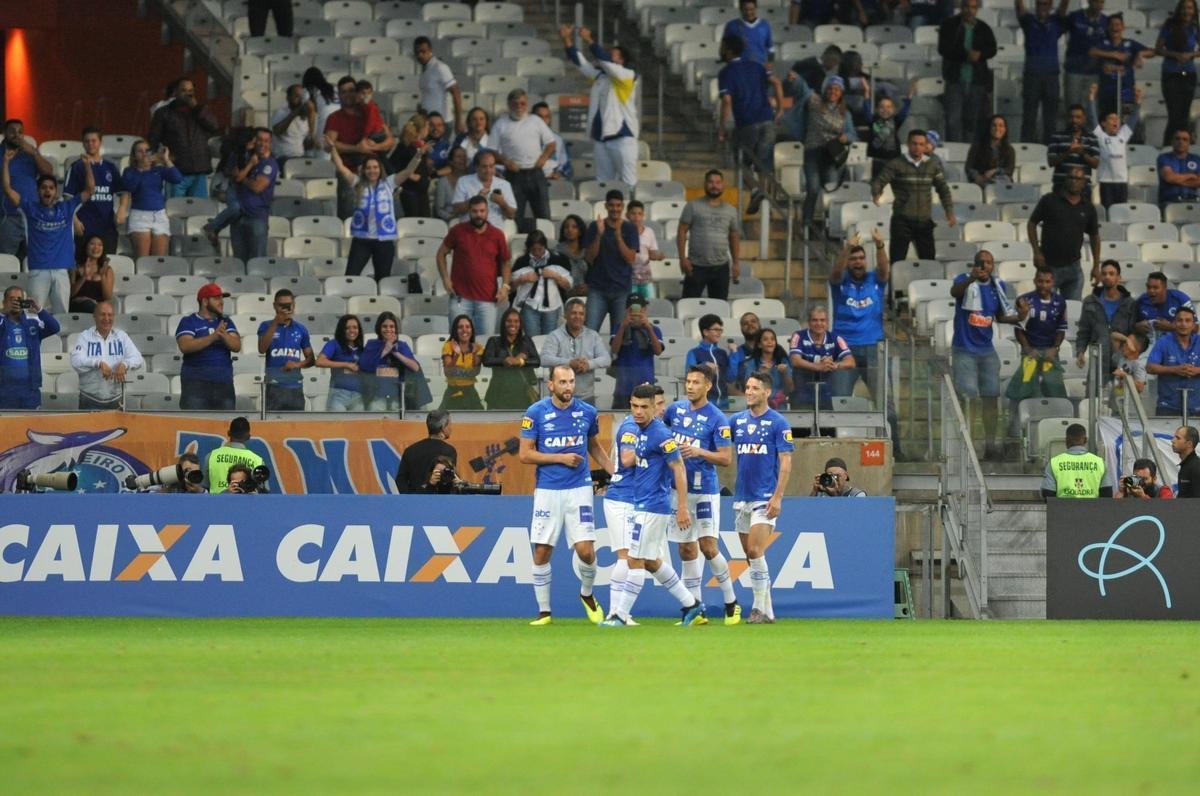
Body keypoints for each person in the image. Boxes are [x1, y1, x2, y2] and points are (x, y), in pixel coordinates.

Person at [599, 383, 706, 627]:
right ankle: (692, 605)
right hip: (641, 504)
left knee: (634, 559)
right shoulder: (640, 431)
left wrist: (681, 507)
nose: (638, 411)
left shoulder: (660, 433)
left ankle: (619, 615)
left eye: (644, 407)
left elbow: (678, 468)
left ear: (654, 408)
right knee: (650, 562)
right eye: (635, 406)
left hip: (654, 506)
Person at [518, 364, 611, 625]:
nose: (568, 387)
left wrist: (615, 473)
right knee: (542, 552)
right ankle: (544, 612)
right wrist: (560, 458)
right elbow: (525, 454)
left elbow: (595, 448)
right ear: (551, 384)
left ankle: (587, 594)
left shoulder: (588, 412)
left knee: (585, 550)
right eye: (563, 382)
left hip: (579, 489)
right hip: (548, 489)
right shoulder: (535, 413)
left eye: (571, 382)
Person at [663, 366, 741, 623]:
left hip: (705, 491)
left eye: (696, 382)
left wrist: (699, 452)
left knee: (708, 547)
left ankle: (731, 602)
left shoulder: (718, 419)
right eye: (688, 381)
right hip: (678, 491)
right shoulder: (675, 411)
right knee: (686, 549)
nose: (690, 386)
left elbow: (726, 458)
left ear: (708, 386)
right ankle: (696, 609)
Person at [827, 228, 900, 452]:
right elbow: (836, 271)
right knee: (838, 401)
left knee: (885, 401)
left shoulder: (874, 280)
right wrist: (847, 247)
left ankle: (895, 447)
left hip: (873, 347)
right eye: (854, 258)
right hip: (843, 348)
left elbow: (885, 270)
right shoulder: (840, 281)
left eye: (861, 258)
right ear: (848, 261)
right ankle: (835, 447)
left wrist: (879, 245)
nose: (858, 262)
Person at [951, 250, 1028, 460]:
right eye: (981, 263)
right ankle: (966, 443)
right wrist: (972, 278)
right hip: (964, 348)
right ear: (974, 265)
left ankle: (990, 443)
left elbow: (1001, 316)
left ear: (993, 265)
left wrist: (1020, 316)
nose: (985, 266)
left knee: (991, 397)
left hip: (986, 349)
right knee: (968, 397)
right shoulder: (964, 281)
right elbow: (954, 293)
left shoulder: (998, 286)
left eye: (989, 263)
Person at [730, 369, 795, 624]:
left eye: (754, 388)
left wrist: (778, 497)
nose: (748, 392)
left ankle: (757, 608)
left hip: (764, 497)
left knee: (756, 550)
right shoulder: (736, 421)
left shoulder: (778, 423)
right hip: (742, 496)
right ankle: (768, 610)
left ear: (767, 392)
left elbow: (786, 462)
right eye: (747, 387)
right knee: (750, 554)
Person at [4, 148, 94, 316]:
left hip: (61, 271)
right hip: (38, 270)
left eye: (51, 188)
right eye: (44, 188)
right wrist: (6, 163)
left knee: (62, 317)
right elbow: (8, 189)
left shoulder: (67, 208)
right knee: (32, 316)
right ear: (38, 191)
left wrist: (88, 166)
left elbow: (90, 190)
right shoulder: (29, 208)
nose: (47, 191)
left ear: (56, 192)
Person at [561, 24, 640, 186]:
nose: (607, 58)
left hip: (623, 138)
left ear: (622, 61)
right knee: (603, 183)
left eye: (613, 56)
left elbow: (603, 60)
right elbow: (580, 62)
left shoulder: (628, 76)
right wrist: (566, 38)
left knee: (628, 183)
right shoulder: (600, 77)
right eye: (608, 55)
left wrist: (589, 39)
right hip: (600, 139)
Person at [717, 34, 784, 216]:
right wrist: (781, 109)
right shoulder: (756, 66)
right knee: (762, 163)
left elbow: (727, 101)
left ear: (729, 50)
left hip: (747, 122)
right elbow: (777, 83)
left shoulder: (726, 72)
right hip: (768, 120)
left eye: (723, 46)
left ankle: (756, 191)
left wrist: (722, 128)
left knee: (740, 161)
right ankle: (764, 200)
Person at [871, 129, 956, 264]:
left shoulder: (932, 165)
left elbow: (943, 189)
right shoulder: (896, 164)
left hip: (924, 221)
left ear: (925, 145)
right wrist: (876, 192)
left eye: (921, 144)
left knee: (929, 263)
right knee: (897, 262)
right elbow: (880, 180)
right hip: (902, 220)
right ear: (908, 144)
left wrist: (949, 211)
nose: (917, 147)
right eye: (914, 144)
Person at [436, 195, 512, 335]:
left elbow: (506, 262)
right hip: (460, 298)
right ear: (469, 212)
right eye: (475, 211)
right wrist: (445, 279)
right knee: (456, 344)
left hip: (488, 299)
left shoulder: (497, 235)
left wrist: (505, 286)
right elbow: (440, 254)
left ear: (487, 212)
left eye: (482, 211)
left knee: (484, 345)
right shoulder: (458, 231)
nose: (479, 215)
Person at [324, 76, 395, 219]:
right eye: (343, 92)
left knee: (379, 215)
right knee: (350, 217)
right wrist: (358, 149)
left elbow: (390, 140)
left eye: (351, 90)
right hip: (349, 172)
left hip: (374, 172)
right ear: (339, 95)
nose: (348, 94)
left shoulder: (369, 110)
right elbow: (328, 145)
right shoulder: (335, 117)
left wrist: (375, 146)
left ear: (358, 92)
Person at [1028, 165, 1101, 302]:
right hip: (1049, 266)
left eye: (1078, 178)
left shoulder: (1088, 207)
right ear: (1066, 179)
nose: (1074, 181)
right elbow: (1031, 224)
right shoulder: (1049, 200)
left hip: (1074, 267)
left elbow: (1094, 236)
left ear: (1084, 183)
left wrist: (1096, 265)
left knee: (1072, 312)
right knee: (1047, 310)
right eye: (1071, 177)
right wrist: (1037, 252)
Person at [489, 89, 556, 234]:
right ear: (508, 105)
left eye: (522, 103)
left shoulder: (536, 121)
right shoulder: (500, 124)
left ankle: (547, 248)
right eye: (515, 104)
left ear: (527, 104)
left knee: (544, 215)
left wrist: (543, 158)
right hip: (514, 175)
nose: (519, 106)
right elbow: (492, 151)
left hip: (536, 173)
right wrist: (506, 161)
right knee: (514, 216)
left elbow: (551, 143)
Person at [796, 75, 856, 228]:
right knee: (813, 188)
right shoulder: (815, 103)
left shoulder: (845, 113)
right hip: (812, 153)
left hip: (831, 156)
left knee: (831, 189)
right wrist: (796, 78)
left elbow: (853, 135)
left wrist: (846, 137)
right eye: (830, 88)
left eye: (837, 89)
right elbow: (804, 89)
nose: (833, 92)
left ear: (841, 92)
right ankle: (806, 223)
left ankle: (831, 226)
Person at [148, 79, 219, 198]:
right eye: (184, 90)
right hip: (176, 170)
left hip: (199, 170)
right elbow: (153, 139)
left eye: (191, 91)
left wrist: (197, 108)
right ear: (175, 92)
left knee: (198, 212)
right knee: (175, 210)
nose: (188, 94)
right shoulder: (163, 113)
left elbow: (214, 126)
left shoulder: (201, 110)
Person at [938, 0, 997, 143]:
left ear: (977, 9)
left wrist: (980, 54)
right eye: (967, 7)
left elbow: (992, 49)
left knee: (972, 122)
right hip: (954, 80)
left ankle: (970, 153)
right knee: (953, 120)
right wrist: (965, 55)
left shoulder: (983, 28)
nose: (970, 10)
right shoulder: (949, 25)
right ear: (961, 7)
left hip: (976, 81)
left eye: (973, 7)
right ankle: (954, 151)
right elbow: (944, 49)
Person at [677, 170, 741, 300]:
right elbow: (681, 231)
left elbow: (734, 236)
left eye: (718, 182)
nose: (714, 186)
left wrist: (736, 263)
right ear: (705, 184)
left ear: (723, 185)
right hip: (695, 266)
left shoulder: (731, 210)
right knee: (689, 305)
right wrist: (682, 259)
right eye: (711, 182)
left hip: (721, 267)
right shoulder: (693, 206)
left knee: (719, 308)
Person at [176, 283, 240, 411]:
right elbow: (185, 345)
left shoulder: (226, 321)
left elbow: (237, 346)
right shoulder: (189, 321)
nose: (221, 302)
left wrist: (224, 336)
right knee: (195, 427)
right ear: (205, 301)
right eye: (216, 298)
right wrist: (214, 336)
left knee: (225, 427)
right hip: (195, 386)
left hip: (224, 385)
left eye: (222, 298)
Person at [70, 300, 144, 411]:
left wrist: (124, 364)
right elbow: (75, 361)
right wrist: (98, 363)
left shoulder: (121, 336)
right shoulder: (85, 336)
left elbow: (138, 358)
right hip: (89, 399)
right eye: (102, 314)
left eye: (110, 315)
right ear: (94, 316)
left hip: (117, 399)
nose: (106, 319)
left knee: (117, 429)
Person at [584, 189, 639, 332]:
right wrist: (599, 235)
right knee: (589, 332)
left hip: (621, 289)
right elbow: (589, 258)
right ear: (606, 206)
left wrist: (619, 237)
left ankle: (616, 356)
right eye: (612, 205)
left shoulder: (630, 228)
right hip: (597, 289)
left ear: (622, 207)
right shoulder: (595, 226)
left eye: (618, 205)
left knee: (620, 334)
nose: (615, 209)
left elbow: (630, 258)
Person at [1016, 0, 1070, 145]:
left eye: (1046, 4)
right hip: (1032, 75)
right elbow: (1019, 7)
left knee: (1050, 119)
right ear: (1036, 4)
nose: (1043, 6)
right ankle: (1025, 149)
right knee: (1029, 117)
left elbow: (1064, 7)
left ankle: (1050, 151)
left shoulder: (1056, 22)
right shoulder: (1028, 21)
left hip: (1051, 76)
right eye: (1040, 3)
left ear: (1051, 5)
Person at [1076, 259, 1137, 385]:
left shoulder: (1130, 303)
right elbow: (1084, 330)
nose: (1107, 276)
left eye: (1111, 273)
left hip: (1122, 361)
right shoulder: (1090, 301)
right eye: (1104, 274)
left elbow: (1133, 333)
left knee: (1119, 402)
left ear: (1118, 277)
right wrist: (1080, 351)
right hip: (1098, 360)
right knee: (1093, 400)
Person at [540, 297, 611, 403]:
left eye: (581, 314)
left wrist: (588, 364)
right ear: (565, 315)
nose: (578, 317)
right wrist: (569, 363)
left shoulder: (593, 336)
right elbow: (544, 359)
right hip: (559, 398)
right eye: (574, 313)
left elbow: (606, 359)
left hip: (586, 398)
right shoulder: (554, 336)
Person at [0, 119, 55, 257]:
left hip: (32, 214)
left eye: (20, 132)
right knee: (7, 261)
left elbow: (48, 173)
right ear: (5, 133)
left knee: (35, 258)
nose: (17, 135)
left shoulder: (30, 154)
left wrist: (34, 153)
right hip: (8, 217)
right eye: (12, 131)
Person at [65, 126, 123, 256]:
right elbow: (68, 198)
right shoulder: (76, 167)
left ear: (100, 142)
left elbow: (124, 192)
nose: (90, 144)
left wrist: (122, 208)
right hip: (84, 225)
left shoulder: (111, 167)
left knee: (105, 266)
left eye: (93, 140)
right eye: (87, 141)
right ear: (83, 143)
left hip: (107, 226)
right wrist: (74, 220)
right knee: (82, 267)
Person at [118, 139, 179, 258]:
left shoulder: (159, 170)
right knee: (143, 259)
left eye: (147, 150)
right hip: (140, 216)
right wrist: (142, 170)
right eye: (139, 151)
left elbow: (177, 178)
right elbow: (131, 187)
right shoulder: (129, 171)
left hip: (159, 215)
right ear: (134, 155)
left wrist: (166, 159)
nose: (144, 153)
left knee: (158, 261)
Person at [0, 287, 59, 409]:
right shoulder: (2, 323)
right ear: (4, 302)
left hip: (30, 388)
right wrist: (2, 312)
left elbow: (55, 327)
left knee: (31, 424)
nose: (16, 302)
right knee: (7, 426)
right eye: (12, 299)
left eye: (19, 299)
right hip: (4, 389)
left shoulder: (33, 322)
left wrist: (39, 309)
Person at [256, 289, 313, 411]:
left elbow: (311, 359)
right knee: (273, 427)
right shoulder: (265, 326)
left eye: (289, 305)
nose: (286, 308)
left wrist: (296, 364)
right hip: (274, 386)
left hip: (295, 387)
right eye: (282, 305)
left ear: (294, 306)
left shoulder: (301, 329)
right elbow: (262, 349)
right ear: (275, 306)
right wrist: (276, 322)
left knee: (296, 427)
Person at [1089, 14, 1156, 119]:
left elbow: (1153, 52)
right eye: (1111, 25)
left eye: (1117, 24)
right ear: (1107, 27)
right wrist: (1114, 54)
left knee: (1126, 125)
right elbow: (1092, 51)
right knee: (1107, 124)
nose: (1114, 27)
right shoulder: (1102, 43)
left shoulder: (1130, 43)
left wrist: (1140, 54)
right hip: (1107, 93)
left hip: (1126, 92)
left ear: (1123, 27)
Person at [1087, 82, 1142, 209]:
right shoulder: (1101, 135)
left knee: (1120, 211)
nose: (1115, 121)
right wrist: (1091, 97)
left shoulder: (1123, 134)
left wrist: (1138, 101)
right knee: (1108, 210)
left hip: (1121, 181)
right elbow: (1091, 117)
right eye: (1111, 119)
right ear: (1103, 123)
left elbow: (1133, 118)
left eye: (1117, 119)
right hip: (1106, 181)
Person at [789, 305, 854, 409]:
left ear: (827, 323)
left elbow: (850, 362)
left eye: (822, 320)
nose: (819, 323)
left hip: (827, 394)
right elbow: (795, 360)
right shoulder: (798, 336)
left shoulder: (836, 338)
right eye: (815, 320)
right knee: (801, 424)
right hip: (802, 392)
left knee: (828, 424)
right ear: (809, 323)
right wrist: (819, 367)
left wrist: (834, 365)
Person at [510, 229, 572, 336]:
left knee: (549, 340)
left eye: (540, 249)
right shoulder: (522, 262)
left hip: (551, 307)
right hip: (529, 306)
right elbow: (510, 289)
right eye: (534, 250)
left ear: (545, 246)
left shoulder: (558, 259)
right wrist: (522, 279)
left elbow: (568, 286)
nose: (538, 253)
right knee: (532, 340)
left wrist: (556, 276)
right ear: (529, 248)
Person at [230, 128, 278, 263]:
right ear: (254, 141)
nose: (262, 144)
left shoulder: (270, 164)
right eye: (259, 140)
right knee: (238, 262)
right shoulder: (246, 158)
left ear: (270, 143)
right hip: (238, 217)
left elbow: (258, 187)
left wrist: (241, 178)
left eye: (266, 141)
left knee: (257, 262)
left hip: (257, 217)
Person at [1157, 0, 1200, 146]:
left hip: (1189, 74)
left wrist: (1191, 55)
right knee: (1174, 114)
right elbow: (1159, 48)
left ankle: (1183, 147)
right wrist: (1175, 55)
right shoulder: (1169, 25)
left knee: (1184, 114)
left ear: (1194, 10)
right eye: (1184, 8)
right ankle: (1168, 146)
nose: (1186, 11)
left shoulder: (1195, 27)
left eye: (1189, 8)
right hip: (1171, 73)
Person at [610, 294, 664, 409]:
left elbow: (658, 351)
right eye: (632, 310)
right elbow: (614, 349)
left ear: (645, 310)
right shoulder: (619, 327)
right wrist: (623, 327)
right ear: (626, 310)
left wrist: (648, 328)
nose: (636, 313)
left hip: (646, 385)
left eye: (640, 309)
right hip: (623, 387)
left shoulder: (654, 329)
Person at [359, 311, 420, 412]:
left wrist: (395, 352)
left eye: (392, 326)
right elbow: (364, 366)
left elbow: (415, 367)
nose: (388, 329)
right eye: (385, 326)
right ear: (379, 328)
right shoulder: (372, 344)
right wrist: (385, 350)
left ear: (396, 329)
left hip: (399, 396)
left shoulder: (402, 345)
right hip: (376, 396)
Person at [1147, 305, 1200, 416]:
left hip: (1196, 405)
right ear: (1174, 323)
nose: (1183, 324)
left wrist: (1197, 370)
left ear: (1193, 325)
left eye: (1188, 320)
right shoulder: (1164, 341)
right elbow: (1150, 367)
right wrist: (1174, 369)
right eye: (1180, 320)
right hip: (1168, 405)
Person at [483, 308, 540, 410]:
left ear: (520, 324)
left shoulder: (526, 341)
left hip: (522, 394)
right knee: (497, 425)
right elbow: (487, 360)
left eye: (516, 321)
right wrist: (504, 360)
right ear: (503, 323)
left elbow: (537, 361)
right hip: (498, 394)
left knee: (523, 425)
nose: (512, 324)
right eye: (509, 321)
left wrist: (521, 361)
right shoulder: (494, 341)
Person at [1040, 423, 1114, 498]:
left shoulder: (1054, 463)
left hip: (1063, 509)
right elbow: (1107, 493)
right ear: (1085, 440)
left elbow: (1048, 493)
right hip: (1092, 509)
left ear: (1066, 440)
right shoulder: (1099, 463)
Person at [395, 410, 458, 493]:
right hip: (439, 501)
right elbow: (447, 482)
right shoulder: (449, 451)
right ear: (443, 427)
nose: (451, 428)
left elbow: (400, 481)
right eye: (450, 424)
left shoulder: (410, 451)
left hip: (414, 501)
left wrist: (410, 498)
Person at [450, 149, 516, 229]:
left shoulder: (505, 184)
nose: (488, 170)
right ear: (476, 167)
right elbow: (456, 209)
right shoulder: (463, 181)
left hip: (494, 234)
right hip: (468, 233)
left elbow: (511, 215)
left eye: (491, 166)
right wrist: (475, 199)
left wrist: (502, 203)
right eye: (484, 166)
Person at [1015, 267, 1068, 363]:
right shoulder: (1024, 300)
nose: (1043, 285)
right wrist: (1028, 349)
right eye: (1040, 281)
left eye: (1047, 282)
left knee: (1053, 378)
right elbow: (1018, 329)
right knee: (1029, 378)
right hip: (1030, 351)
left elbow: (1061, 329)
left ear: (1053, 282)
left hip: (1050, 352)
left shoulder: (1060, 301)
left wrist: (1055, 348)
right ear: (1034, 281)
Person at [1064, 0, 1109, 111]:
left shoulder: (1105, 21)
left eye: (1101, 2)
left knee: (1091, 108)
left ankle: (1090, 129)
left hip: (1094, 72)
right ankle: (1072, 129)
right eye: (1096, 2)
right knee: (1072, 107)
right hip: (1074, 70)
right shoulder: (1075, 17)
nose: (1099, 5)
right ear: (1089, 1)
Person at [414, 37, 465, 134]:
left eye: (423, 51)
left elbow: (456, 92)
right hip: (428, 122)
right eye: (417, 52)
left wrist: (459, 121)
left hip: (442, 123)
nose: (420, 55)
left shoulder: (440, 67)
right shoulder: (425, 70)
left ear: (430, 51)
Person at [388, 112, 434, 219]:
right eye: (427, 126)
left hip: (422, 194)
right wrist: (410, 175)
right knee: (412, 222)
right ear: (421, 129)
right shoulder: (405, 145)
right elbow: (391, 165)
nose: (428, 129)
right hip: (411, 193)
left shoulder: (421, 145)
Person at [316, 313, 365, 411]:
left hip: (358, 397)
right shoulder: (334, 344)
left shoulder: (361, 349)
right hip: (338, 395)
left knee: (359, 425)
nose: (352, 331)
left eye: (355, 327)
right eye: (348, 328)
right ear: (342, 330)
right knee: (338, 426)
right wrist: (346, 365)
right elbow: (319, 361)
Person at [865, 85, 915, 179]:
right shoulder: (873, 121)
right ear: (876, 109)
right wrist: (867, 94)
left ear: (894, 110)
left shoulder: (896, 121)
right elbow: (866, 111)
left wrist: (909, 98)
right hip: (876, 160)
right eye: (882, 107)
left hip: (893, 160)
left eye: (888, 107)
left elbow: (904, 112)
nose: (885, 110)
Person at [206, 416, 265, 495]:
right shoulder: (258, 461)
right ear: (248, 437)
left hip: (217, 505)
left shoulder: (211, 457)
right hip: (248, 506)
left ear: (228, 433)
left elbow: (203, 490)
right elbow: (263, 492)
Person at [1047, 103, 1101, 188]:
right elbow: (1051, 162)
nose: (1074, 120)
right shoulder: (1056, 136)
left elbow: (1095, 164)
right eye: (1071, 117)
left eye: (1078, 117)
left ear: (1084, 119)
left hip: (1084, 187)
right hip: (1061, 186)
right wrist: (1069, 152)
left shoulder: (1092, 138)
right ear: (1066, 118)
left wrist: (1082, 153)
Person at [686, 314, 732, 409]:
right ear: (706, 332)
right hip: (704, 402)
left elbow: (731, 377)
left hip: (724, 402)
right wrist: (704, 366)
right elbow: (689, 373)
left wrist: (734, 355)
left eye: (720, 330)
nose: (719, 333)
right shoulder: (694, 352)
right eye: (716, 330)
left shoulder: (722, 353)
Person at [1135, 271, 1195, 342]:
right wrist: (1136, 327)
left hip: (1177, 344)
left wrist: (1171, 327)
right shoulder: (1142, 300)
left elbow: (1195, 328)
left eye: (1155, 288)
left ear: (1165, 288)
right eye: (1149, 287)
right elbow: (1130, 325)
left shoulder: (1181, 299)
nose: (1151, 291)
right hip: (1149, 345)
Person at [441, 314, 484, 410]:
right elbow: (448, 373)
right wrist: (456, 356)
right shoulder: (448, 346)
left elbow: (475, 372)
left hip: (471, 392)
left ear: (472, 330)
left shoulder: (478, 347)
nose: (464, 330)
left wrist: (473, 354)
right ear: (455, 330)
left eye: (467, 327)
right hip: (452, 392)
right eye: (460, 327)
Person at [965, 115, 1016, 186]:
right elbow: (969, 167)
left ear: (1005, 129)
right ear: (989, 128)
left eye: (1001, 126)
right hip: (981, 181)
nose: (997, 128)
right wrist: (977, 176)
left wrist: (995, 171)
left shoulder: (1009, 149)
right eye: (994, 125)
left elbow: (1009, 169)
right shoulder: (977, 147)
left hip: (1001, 182)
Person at [626, 200, 662, 300]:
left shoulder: (649, 232)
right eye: (633, 213)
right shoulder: (623, 232)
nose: (636, 217)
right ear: (627, 215)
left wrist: (658, 256)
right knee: (630, 307)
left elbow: (653, 252)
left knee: (650, 305)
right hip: (629, 280)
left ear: (643, 215)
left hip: (646, 279)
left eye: (639, 214)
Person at [270, 84, 314, 165]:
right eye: (297, 96)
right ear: (288, 97)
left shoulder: (304, 118)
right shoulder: (281, 112)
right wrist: (295, 113)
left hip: (300, 157)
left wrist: (311, 113)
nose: (300, 99)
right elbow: (277, 131)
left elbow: (308, 143)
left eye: (302, 97)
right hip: (283, 157)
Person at [69, 235, 115, 313]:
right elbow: (70, 294)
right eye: (92, 244)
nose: (96, 247)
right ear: (86, 246)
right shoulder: (75, 267)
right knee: (88, 305)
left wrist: (103, 276)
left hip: (97, 308)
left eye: (100, 245)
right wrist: (84, 277)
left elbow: (108, 297)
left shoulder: (107, 270)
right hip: (77, 307)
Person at [1157, 128, 1200, 208]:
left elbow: (1198, 182)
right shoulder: (1164, 157)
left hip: (1193, 201)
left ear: (1189, 143)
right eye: (1177, 138)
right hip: (1169, 202)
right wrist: (1190, 176)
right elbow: (1169, 177)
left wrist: (1176, 179)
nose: (1181, 142)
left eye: (1185, 139)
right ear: (1172, 141)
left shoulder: (1196, 159)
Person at [302, 67, 340, 156]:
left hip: (324, 127)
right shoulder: (335, 88)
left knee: (322, 161)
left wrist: (311, 134)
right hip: (339, 125)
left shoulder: (307, 91)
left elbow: (311, 110)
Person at [531, 102, 572, 182]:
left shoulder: (558, 139)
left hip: (550, 180)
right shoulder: (520, 137)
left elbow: (565, 164)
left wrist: (559, 173)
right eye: (539, 117)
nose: (543, 120)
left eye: (546, 117)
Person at [724, 0, 774, 65]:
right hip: (739, 68)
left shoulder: (765, 25)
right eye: (745, 9)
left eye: (751, 9)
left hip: (759, 67)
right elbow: (724, 49)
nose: (748, 12)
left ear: (756, 8)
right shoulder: (732, 25)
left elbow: (771, 48)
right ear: (740, 9)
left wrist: (770, 63)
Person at [555, 214, 589, 295]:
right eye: (566, 227)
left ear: (580, 231)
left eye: (574, 227)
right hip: (563, 295)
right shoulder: (556, 253)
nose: (570, 230)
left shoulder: (588, 252)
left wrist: (589, 287)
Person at [433, 146, 469, 223]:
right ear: (451, 161)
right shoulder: (443, 182)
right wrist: (452, 218)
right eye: (459, 156)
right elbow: (439, 210)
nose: (463, 159)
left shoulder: (472, 180)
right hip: (449, 222)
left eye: (464, 156)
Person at [728, 311, 761, 394]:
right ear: (741, 329)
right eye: (745, 323)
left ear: (759, 325)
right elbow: (727, 383)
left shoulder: (770, 349)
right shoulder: (737, 353)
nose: (750, 324)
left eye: (753, 321)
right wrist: (743, 397)